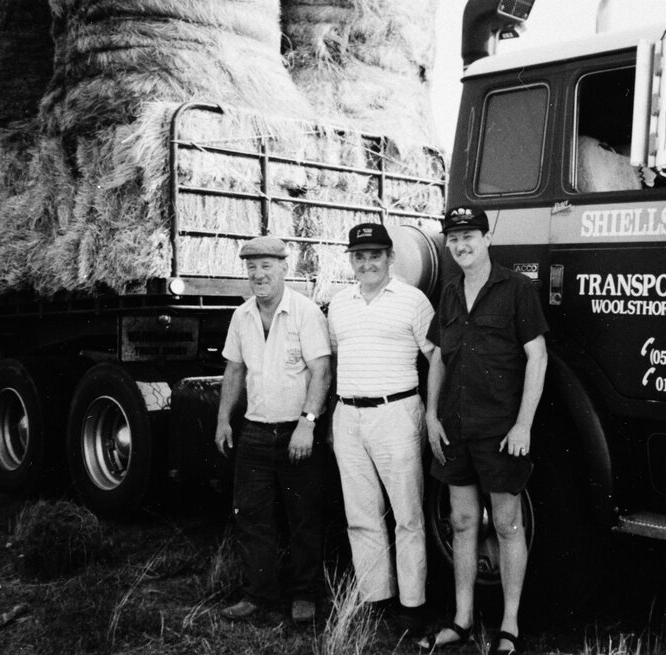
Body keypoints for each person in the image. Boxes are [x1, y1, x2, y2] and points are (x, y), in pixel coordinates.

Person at [418, 206, 548, 655]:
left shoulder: (516, 289)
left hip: (499, 432)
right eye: (453, 238)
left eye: (469, 235)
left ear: (487, 238)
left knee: (509, 524)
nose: (460, 245)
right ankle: (462, 618)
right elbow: (439, 358)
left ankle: (509, 626)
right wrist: (432, 415)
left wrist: (524, 424)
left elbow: (538, 356)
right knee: (463, 522)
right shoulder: (450, 292)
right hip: (454, 429)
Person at [215, 236, 332, 625]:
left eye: (267, 266)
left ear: (285, 268)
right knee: (252, 515)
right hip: (255, 432)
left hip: (296, 432)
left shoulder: (305, 312)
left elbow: (321, 372)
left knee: (304, 517)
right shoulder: (242, 316)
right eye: (251, 267)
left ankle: (304, 596)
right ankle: (258, 594)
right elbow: (234, 371)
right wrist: (222, 421)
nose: (258, 274)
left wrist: (307, 423)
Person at [327, 222, 435, 631]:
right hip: (349, 415)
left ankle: (413, 605)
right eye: (360, 256)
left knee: (407, 515)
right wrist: (334, 416)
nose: (367, 262)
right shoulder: (339, 303)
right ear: (351, 261)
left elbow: (436, 357)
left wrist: (432, 412)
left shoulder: (414, 300)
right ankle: (376, 599)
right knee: (361, 514)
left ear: (391, 257)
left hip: (397, 413)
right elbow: (337, 358)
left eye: (376, 254)